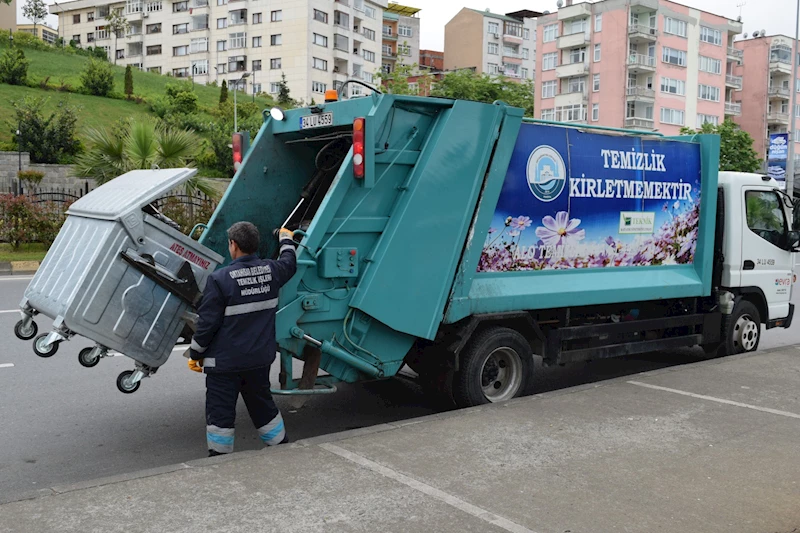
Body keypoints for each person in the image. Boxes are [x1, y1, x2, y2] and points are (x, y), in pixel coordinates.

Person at [187, 221, 297, 457]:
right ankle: (281, 449)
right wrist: (286, 239)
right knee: (263, 407)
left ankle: (220, 459)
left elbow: (206, 325)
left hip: (225, 365)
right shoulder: (271, 271)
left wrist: (196, 354)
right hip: (258, 360)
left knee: (220, 415)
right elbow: (290, 263)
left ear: (233, 245)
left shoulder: (220, 280)